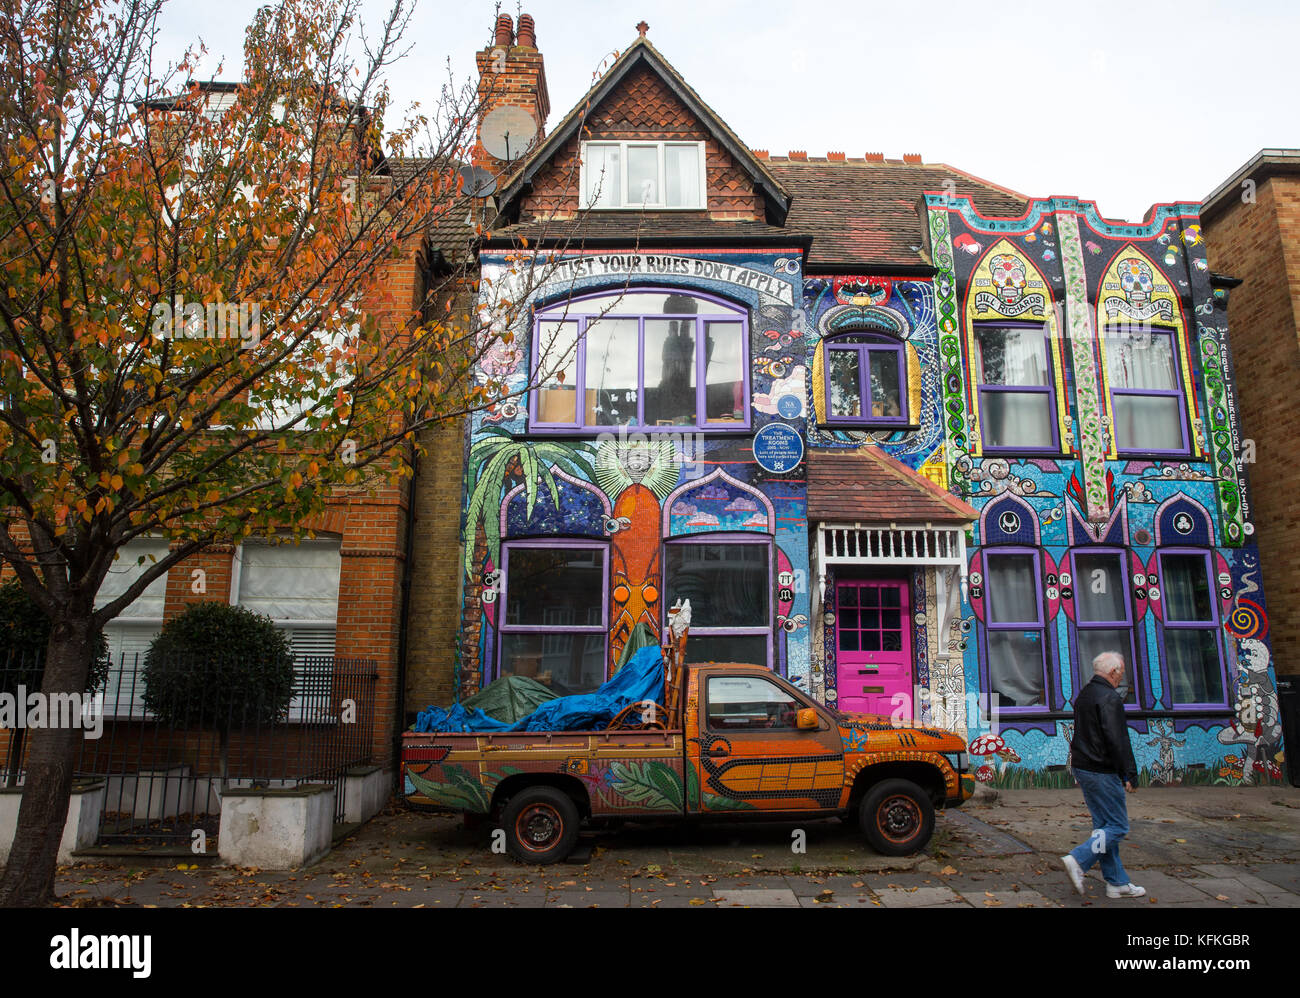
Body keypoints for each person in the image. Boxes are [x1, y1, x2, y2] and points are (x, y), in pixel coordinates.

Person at [1061, 651, 1145, 899]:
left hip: (1085, 766)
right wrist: (1129, 773)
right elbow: (1117, 739)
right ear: (1113, 672)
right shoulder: (1109, 698)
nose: (1122, 677)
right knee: (1117, 826)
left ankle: (1117, 882)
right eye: (1121, 672)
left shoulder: (1085, 694)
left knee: (1104, 826)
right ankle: (1079, 859)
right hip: (1102, 769)